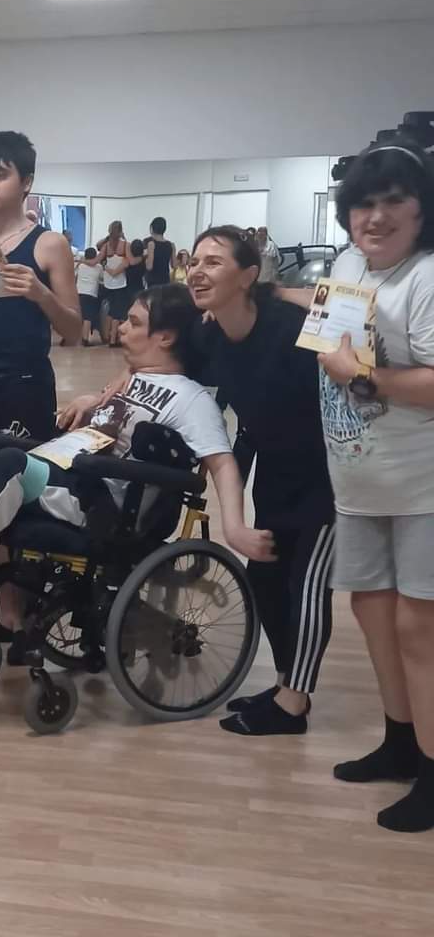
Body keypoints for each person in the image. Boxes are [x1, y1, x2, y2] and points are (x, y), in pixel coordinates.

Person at [0, 284, 274, 662]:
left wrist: (235, 527)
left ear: (166, 337)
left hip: (101, 504)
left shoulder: (192, 400)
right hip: (70, 476)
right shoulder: (133, 380)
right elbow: (115, 410)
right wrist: (92, 401)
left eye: (134, 322)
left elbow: (221, 461)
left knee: (7, 463)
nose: (120, 328)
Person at [311, 140, 434, 832]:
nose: (376, 216)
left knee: (421, 628)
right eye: (364, 203)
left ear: (422, 210)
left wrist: (361, 376)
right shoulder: (347, 264)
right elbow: (328, 337)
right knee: (373, 609)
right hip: (359, 474)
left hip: (424, 485)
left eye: (394, 202)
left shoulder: (428, 276)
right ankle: (400, 741)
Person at [185, 225, 336, 736]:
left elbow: (355, 311)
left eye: (213, 262)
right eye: (194, 261)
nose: (197, 271)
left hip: (329, 476)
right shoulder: (208, 336)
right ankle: (285, 683)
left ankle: (294, 704)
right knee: (267, 581)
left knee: (306, 586)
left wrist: (281, 291)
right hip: (275, 471)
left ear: (248, 275)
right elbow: (164, 359)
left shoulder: (292, 326)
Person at [0, 131, 80, 468]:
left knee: (26, 481)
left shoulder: (49, 244)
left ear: (26, 182)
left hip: (25, 385)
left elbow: (74, 331)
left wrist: (40, 293)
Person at [100, 225, 130, 347]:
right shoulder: (125, 246)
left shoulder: (106, 245)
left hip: (108, 284)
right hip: (120, 284)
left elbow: (98, 247)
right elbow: (117, 270)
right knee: (117, 314)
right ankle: (112, 340)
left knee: (110, 312)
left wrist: (104, 266)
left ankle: (106, 336)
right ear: (121, 231)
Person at [75, 246, 103, 346]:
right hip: (91, 293)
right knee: (88, 317)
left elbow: (75, 276)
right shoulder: (99, 267)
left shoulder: (80, 265)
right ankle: (85, 339)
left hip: (79, 292)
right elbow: (102, 278)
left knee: (79, 316)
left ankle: (74, 337)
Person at [145, 216, 174, 287]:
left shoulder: (151, 244)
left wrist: (145, 259)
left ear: (152, 229)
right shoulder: (171, 245)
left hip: (153, 281)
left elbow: (149, 267)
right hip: (165, 280)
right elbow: (174, 265)